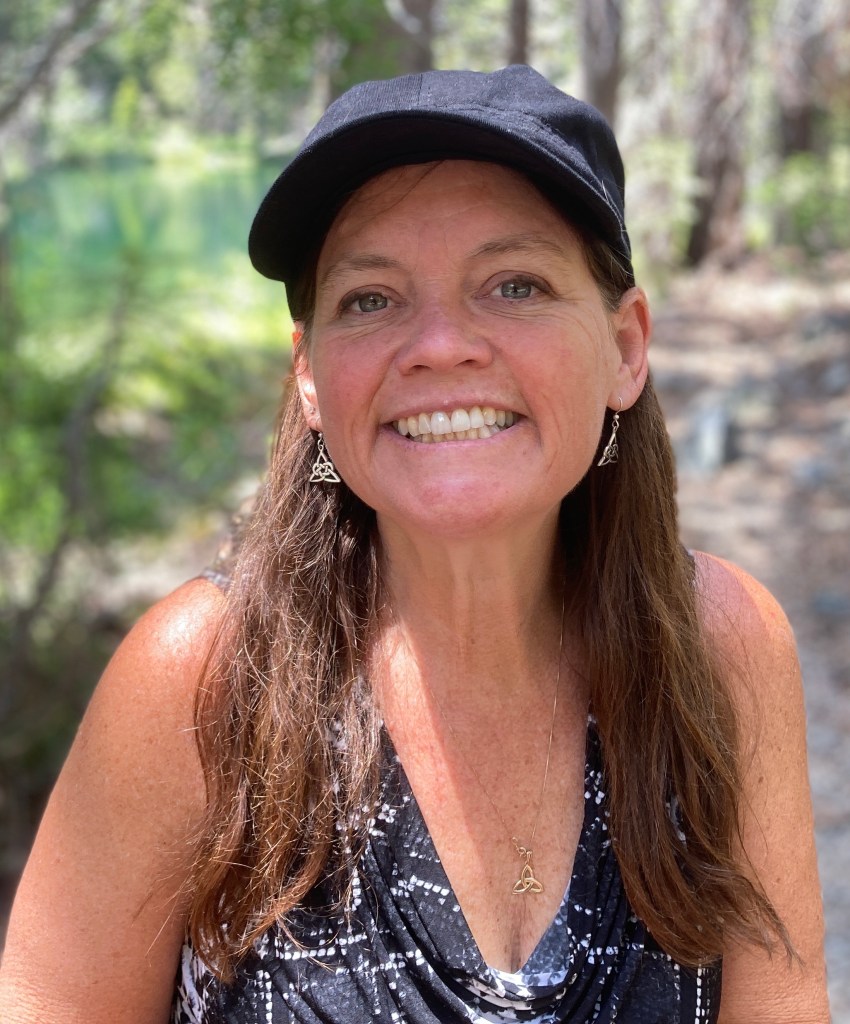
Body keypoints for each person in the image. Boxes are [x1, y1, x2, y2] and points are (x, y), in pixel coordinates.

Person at [0, 65, 829, 1024]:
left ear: (626, 348)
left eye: (514, 285)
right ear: (311, 377)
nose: (440, 344)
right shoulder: (207, 680)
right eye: (371, 299)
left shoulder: (722, 649)